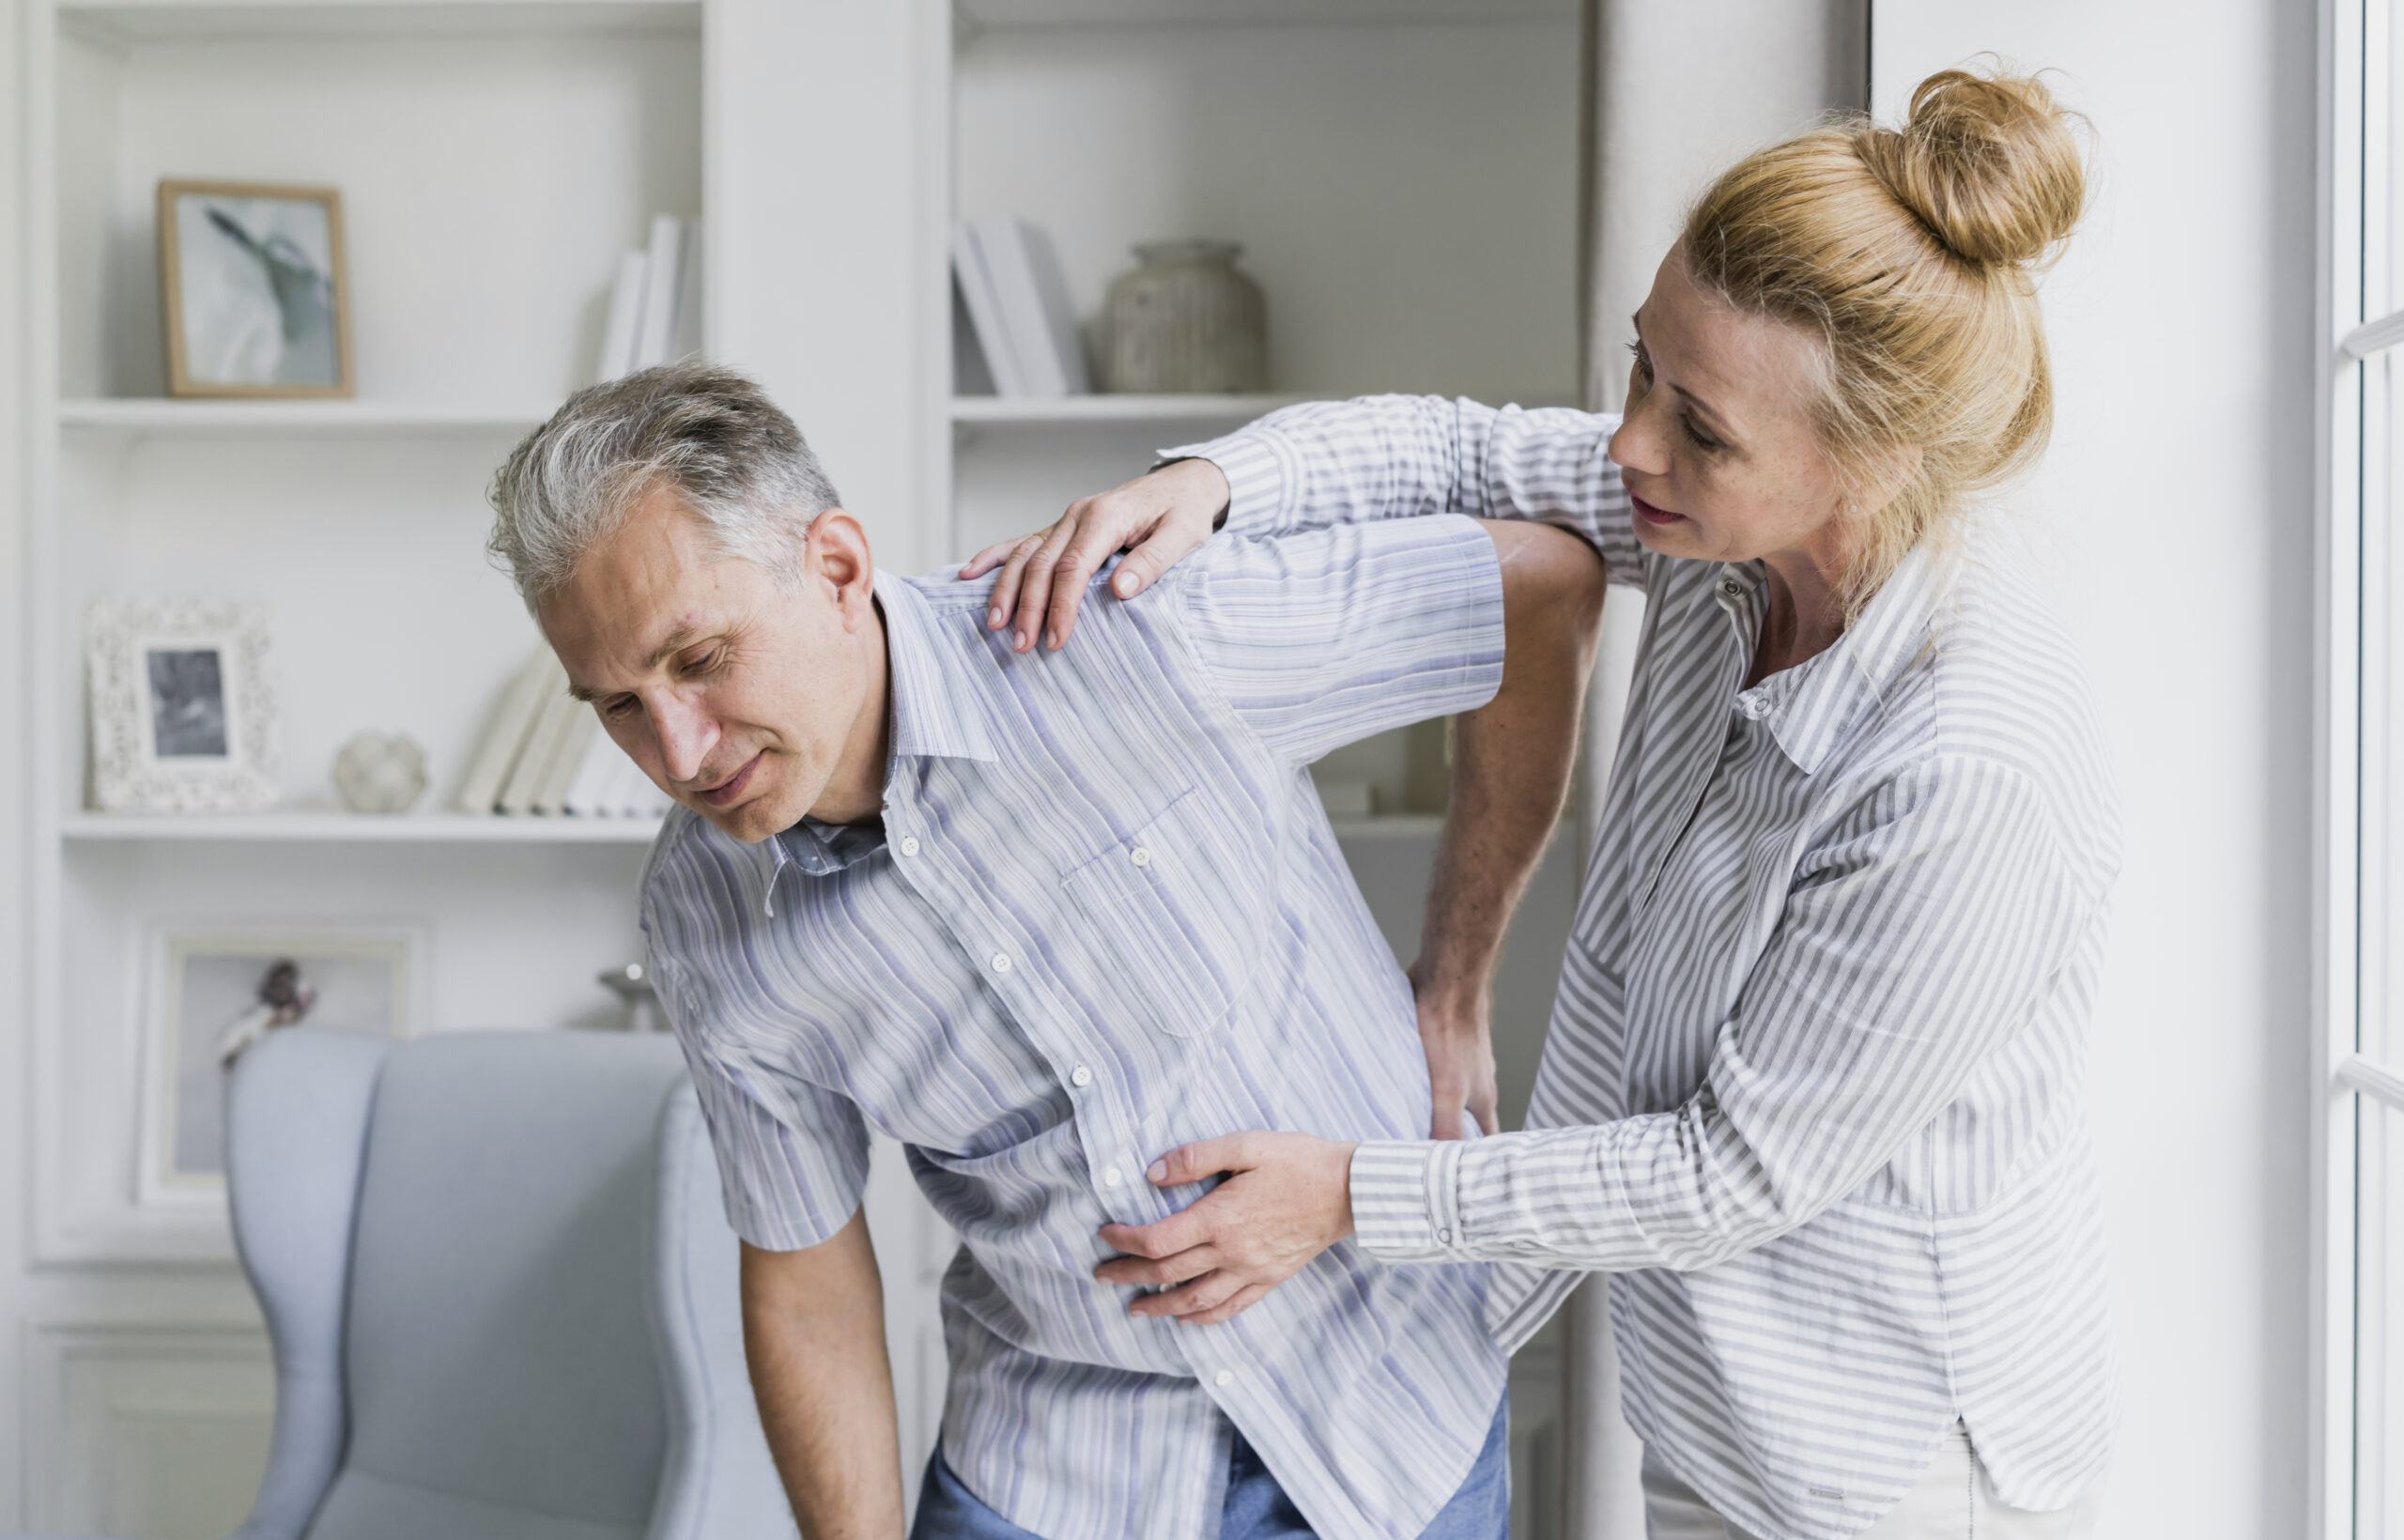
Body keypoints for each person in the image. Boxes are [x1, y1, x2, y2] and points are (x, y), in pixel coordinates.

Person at [969, 66, 2115, 1540]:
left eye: (1697, 427)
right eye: (1644, 368)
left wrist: (1345, 1195)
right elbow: (1456, 451)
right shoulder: (1724, 533)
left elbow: (1730, 1167)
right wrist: (1210, 484)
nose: (1632, 445)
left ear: (1871, 466)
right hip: (1710, 1412)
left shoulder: (1966, 772)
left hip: (1891, 1467)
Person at [482, 362, 1607, 1540]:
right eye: (615, 704)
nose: (677, 750)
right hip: (1052, 1471)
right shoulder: (702, 913)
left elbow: (1542, 587)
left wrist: (1457, 978)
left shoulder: (1135, 631)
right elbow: (806, 1274)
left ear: (837, 566)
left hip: (1388, 1425)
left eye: (699, 659)